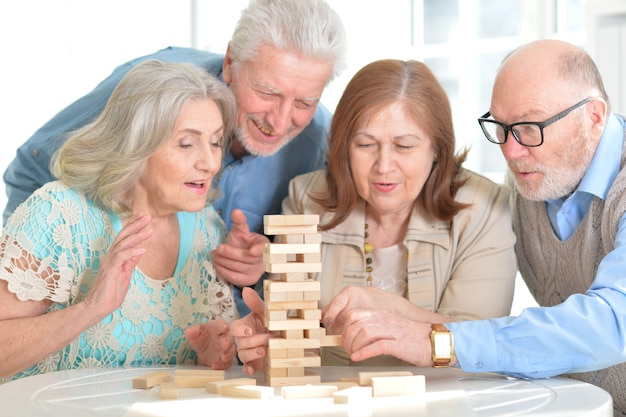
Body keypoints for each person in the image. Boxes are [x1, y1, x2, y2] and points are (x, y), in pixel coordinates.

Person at [322, 40, 626, 417]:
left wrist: (438, 343)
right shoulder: (530, 182)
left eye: (530, 128)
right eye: (500, 127)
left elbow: (613, 323)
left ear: (594, 116)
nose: (510, 152)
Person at [2, 0, 348, 316]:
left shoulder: (320, 147)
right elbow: (35, 166)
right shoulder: (152, 91)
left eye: (304, 102)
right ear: (231, 63)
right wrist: (40, 283)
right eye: (267, 93)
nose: (280, 121)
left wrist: (262, 266)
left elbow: (295, 274)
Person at [231, 59, 518, 372]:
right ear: (344, 147)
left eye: (404, 146)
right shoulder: (306, 199)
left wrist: (389, 309)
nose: (383, 166)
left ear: (437, 148)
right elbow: (294, 340)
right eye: (366, 144)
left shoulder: (486, 208)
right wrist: (270, 346)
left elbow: (483, 341)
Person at [0, 59, 239, 382]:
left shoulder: (208, 229)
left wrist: (210, 356)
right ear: (137, 144)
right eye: (186, 143)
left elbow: (193, 367)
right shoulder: (57, 214)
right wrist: (90, 309)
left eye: (215, 141)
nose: (210, 163)